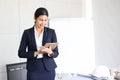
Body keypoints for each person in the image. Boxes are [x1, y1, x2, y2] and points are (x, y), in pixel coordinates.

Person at [18, 7, 59, 80]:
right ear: (35, 18)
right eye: (41, 20)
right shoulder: (27, 33)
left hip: (48, 69)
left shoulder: (51, 32)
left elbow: (56, 53)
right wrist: (37, 52)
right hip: (33, 69)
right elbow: (21, 53)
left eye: (45, 20)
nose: (43, 23)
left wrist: (50, 52)